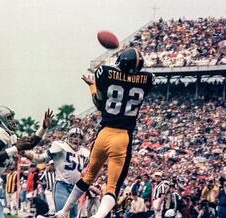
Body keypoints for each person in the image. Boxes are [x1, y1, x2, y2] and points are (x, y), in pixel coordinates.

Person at [56, 47, 153, 218]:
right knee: (112, 185)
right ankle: (98, 217)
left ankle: (63, 211)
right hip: (122, 137)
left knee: (89, 176)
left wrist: (93, 86)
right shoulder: (147, 79)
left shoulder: (106, 73)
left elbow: (100, 104)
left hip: (104, 134)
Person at [22, 127, 90, 218]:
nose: (76, 139)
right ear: (68, 137)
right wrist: (24, 153)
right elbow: (40, 158)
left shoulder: (85, 152)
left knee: (73, 216)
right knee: (62, 215)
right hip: (61, 186)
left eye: (79, 137)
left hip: (75, 189)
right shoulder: (60, 146)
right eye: (74, 136)